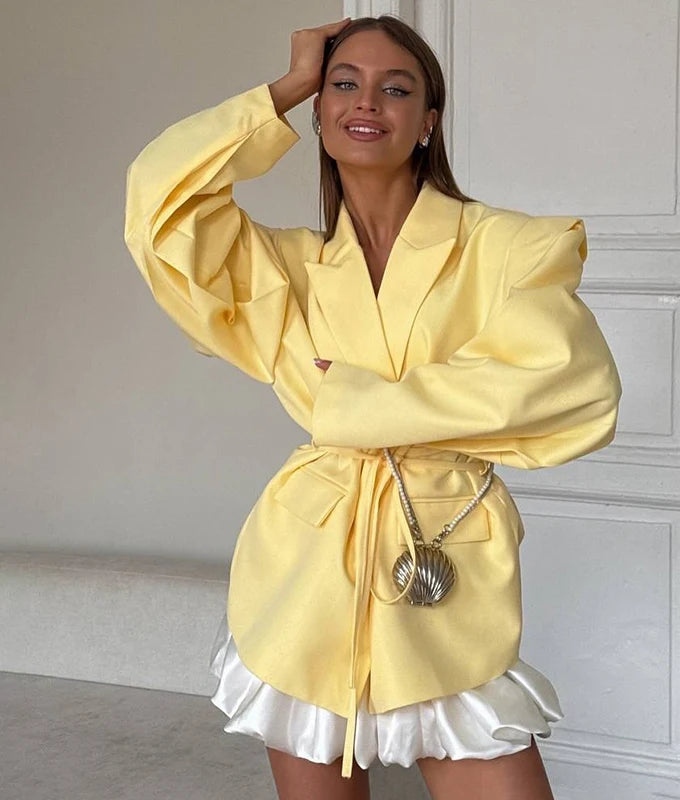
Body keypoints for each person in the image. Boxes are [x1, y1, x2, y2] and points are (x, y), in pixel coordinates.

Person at [124, 14, 622, 800]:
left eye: (397, 89)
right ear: (319, 114)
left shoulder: (513, 246)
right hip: (306, 566)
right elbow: (158, 209)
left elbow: (568, 384)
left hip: (444, 560)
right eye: (342, 84)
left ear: (428, 121)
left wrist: (345, 397)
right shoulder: (286, 266)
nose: (367, 103)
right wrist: (281, 88)